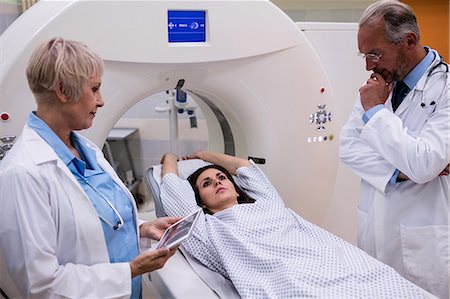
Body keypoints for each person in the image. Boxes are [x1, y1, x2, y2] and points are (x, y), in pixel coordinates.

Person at [0, 37, 179, 299]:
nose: (101, 100)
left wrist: (140, 228)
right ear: (62, 91)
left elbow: (92, 227)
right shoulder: (23, 173)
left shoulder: (86, 149)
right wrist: (129, 270)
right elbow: (41, 286)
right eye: (94, 89)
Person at [159, 150, 431, 298]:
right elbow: (171, 183)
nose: (218, 182)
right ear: (201, 202)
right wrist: (171, 157)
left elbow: (245, 167)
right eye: (207, 184)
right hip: (289, 280)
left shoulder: (268, 202)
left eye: (221, 177)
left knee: (385, 283)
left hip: (333, 262)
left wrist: (206, 155)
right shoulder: (207, 228)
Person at [339, 1, 449, 298]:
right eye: (363, 55)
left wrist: (375, 111)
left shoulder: (446, 87)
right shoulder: (377, 86)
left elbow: (425, 163)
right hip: (375, 230)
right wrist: (399, 172)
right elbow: (348, 148)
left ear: (409, 41)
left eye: (375, 53)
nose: (368, 65)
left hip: (424, 243)